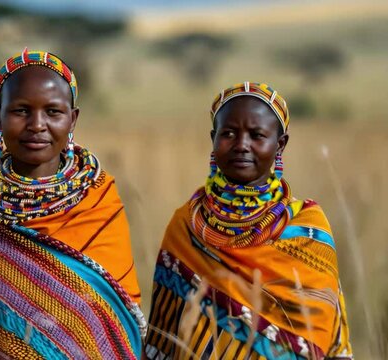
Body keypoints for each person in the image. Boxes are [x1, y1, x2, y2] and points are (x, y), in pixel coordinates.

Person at [0, 48, 145, 359]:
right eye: (21, 111)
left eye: (53, 112)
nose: (37, 124)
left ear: (73, 118)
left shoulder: (98, 203)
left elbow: (118, 324)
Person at [144, 82, 353, 359]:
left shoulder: (306, 229)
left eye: (257, 135)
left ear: (280, 144)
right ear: (213, 138)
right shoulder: (187, 223)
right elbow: (166, 335)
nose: (242, 145)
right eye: (228, 133)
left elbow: (319, 332)